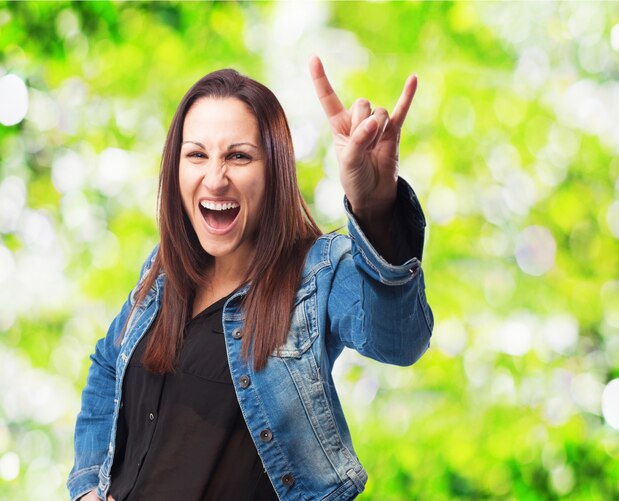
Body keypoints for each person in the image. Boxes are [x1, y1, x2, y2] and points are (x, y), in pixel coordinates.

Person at [67, 55, 434, 501]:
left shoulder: (315, 275)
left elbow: (399, 340)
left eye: (239, 156)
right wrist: (88, 487)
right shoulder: (165, 270)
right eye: (197, 154)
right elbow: (108, 366)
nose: (215, 178)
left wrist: (376, 208)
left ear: (274, 169)